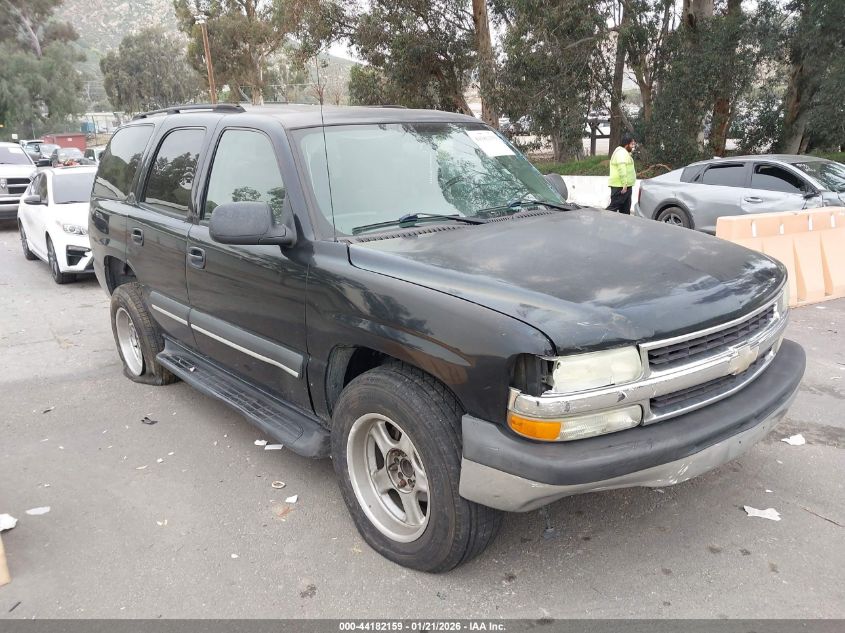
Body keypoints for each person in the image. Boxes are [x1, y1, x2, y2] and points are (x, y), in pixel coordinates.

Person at [607, 133, 636, 215]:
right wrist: (624, 185)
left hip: (626, 186)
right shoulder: (621, 153)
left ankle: (624, 227)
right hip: (620, 187)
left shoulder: (624, 153)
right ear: (626, 145)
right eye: (631, 144)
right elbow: (621, 169)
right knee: (612, 209)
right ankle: (601, 222)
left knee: (625, 211)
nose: (633, 146)